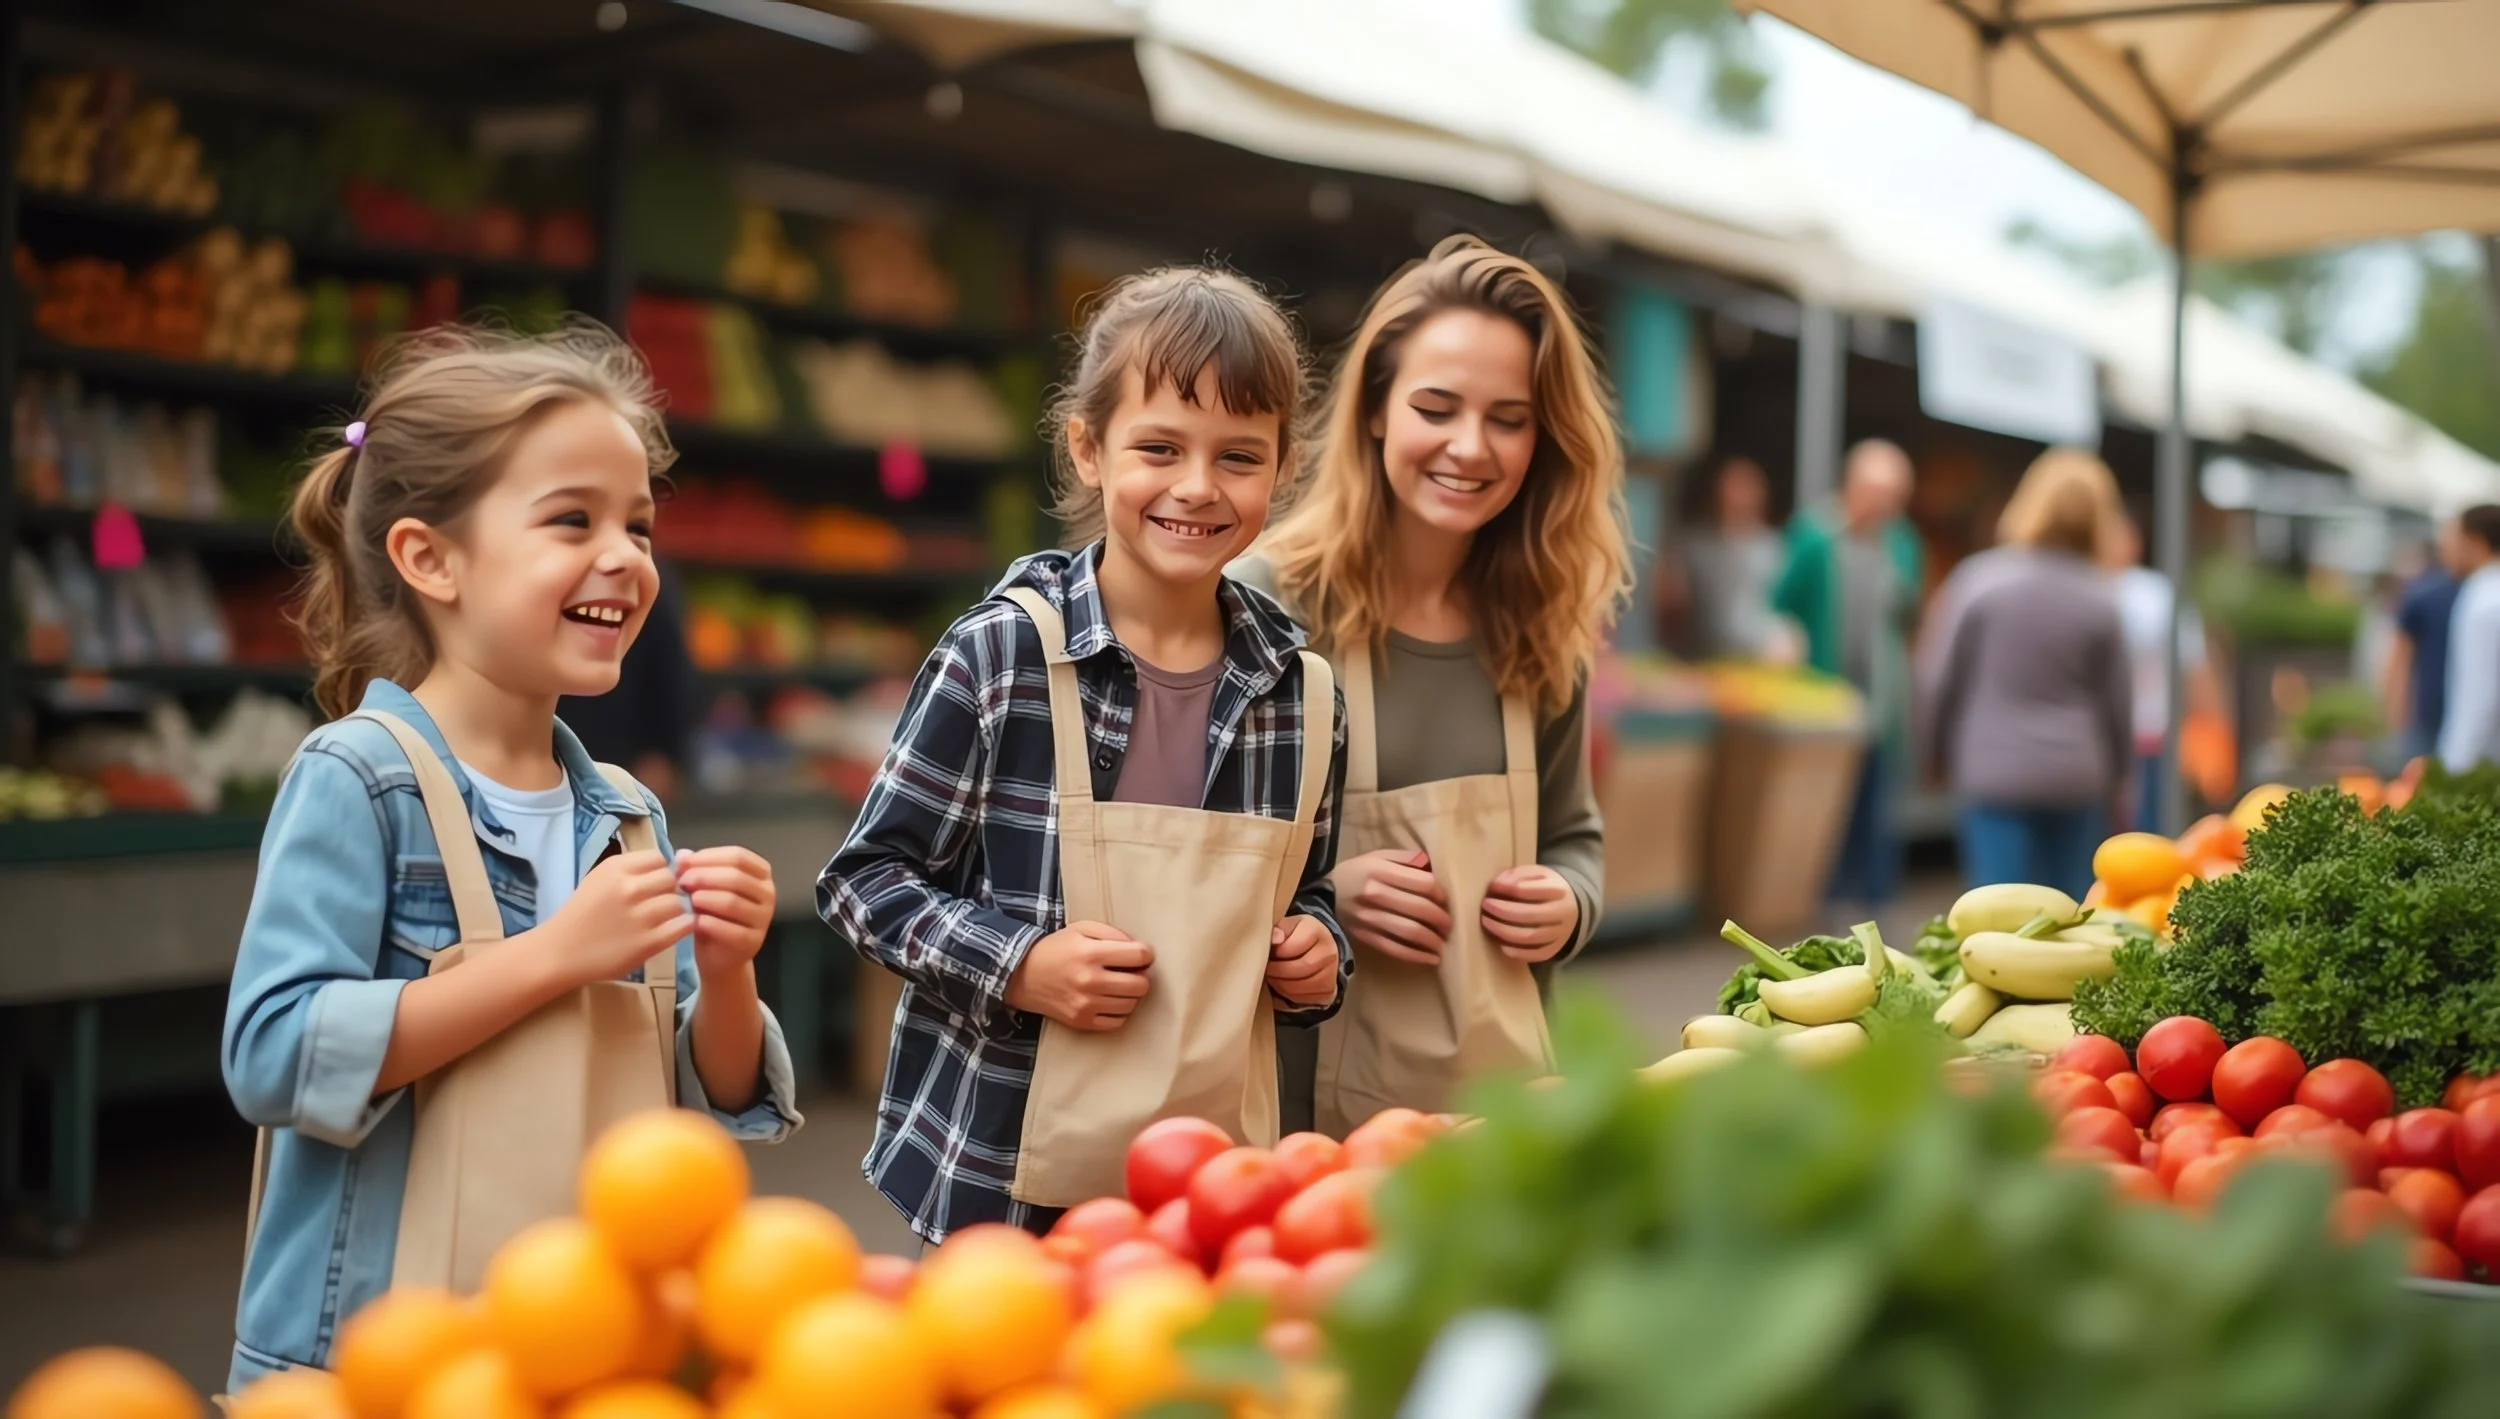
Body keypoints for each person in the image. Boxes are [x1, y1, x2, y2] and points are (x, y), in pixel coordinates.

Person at [221, 325, 798, 1392]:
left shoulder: (624, 811)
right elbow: (274, 1054)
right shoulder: (359, 776)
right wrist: (554, 956)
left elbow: (697, 1100)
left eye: (639, 526)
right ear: (429, 558)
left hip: (579, 1357)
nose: (623, 557)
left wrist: (726, 969)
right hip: (380, 1360)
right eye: (571, 520)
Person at [818, 267, 1350, 1242]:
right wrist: (1019, 965)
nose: (1197, 486)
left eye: (1239, 456)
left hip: (1207, 1184)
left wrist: (1318, 953)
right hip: (999, 1173)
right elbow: (865, 883)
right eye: (1159, 448)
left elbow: (1303, 892)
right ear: (1088, 448)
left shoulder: (1304, 694)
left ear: (1283, 468)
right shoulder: (1001, 657)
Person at [1240, 235, 1625, 1137]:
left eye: (1509, 417)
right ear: (1376, 407)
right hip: (1302, 1136)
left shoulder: (1546, 625)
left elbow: (1576, 836)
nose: (1469, 445)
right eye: (1437, 406)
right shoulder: (1268, 603)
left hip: (1506, 1117)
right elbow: (1192, 875)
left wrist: (1569, 904)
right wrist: (1329, 893)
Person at [1917, 448, 2131, 897]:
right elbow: (2118, 703)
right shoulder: (2103, 600)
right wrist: (2120, 779)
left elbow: (1937, 679)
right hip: (2076, 774)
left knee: (1999, 917)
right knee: (2070, 917)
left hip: (1994, 771)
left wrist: (1931, 756)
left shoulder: (1979, 581)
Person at [1772, 438, 1923, 911]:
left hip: (1882, 703)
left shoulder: (1901, 543)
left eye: (1896, 497)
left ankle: (1877, 901)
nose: (1887, 506)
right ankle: (1825, 899)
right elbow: (1780, 602)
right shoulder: (1815, 537)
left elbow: (1909, 614)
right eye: (1881, 494)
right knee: (1830, 807)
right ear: (1854, 486)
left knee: (1878, 810)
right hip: (1826, 702)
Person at [2102, 515, 2220, 831]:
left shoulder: (2155, 593)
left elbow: (2193, 663)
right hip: (2107, 740)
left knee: (2144, 831)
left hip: (2150, 736)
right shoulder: (2093, 588)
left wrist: (2211, 722)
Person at [1660, 455, 1794, 662]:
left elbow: (1783, 605)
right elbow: (1673, 603)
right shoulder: (1695, 546)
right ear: (1718, 492)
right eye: (1734, 487)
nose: (1740, 496)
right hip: (1702, 656)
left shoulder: (1775, 548)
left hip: (1760, 656)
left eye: (1747, 487)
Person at [2388, 519, 2465, 760]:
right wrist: (2396, 715)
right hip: (2426, 716)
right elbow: (2400, 659)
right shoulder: (2423, 594)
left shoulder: (2484, 592)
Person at [2436, 504, 2500, 771]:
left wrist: (2452, 771)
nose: (2445, 550)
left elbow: (2478, 696)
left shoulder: (2483, 598)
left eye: (2452, 539)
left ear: (2475, 541)